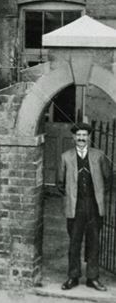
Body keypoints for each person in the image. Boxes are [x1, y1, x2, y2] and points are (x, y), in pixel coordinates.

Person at [57, 121, 112, 291]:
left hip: (94, 205)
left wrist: (99, 196)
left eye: (84, 135)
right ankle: (73, 277)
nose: (81, 138)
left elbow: (108, 179)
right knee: (74, 242)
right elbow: (59, 182)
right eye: (78, 135)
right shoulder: (65, 157)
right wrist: (73, 195)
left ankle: (92, 278)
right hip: (76, 205)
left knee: (94, 242)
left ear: (89, 137)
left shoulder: (99, 156)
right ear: (74, 137)